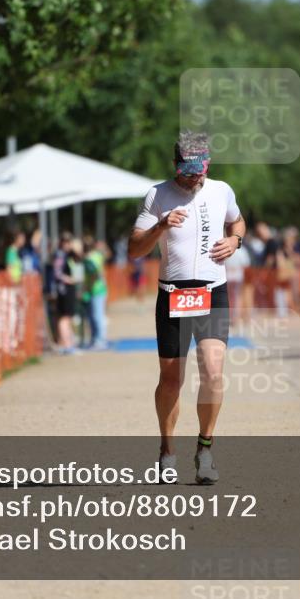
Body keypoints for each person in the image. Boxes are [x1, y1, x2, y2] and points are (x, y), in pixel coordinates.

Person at [129, 130, 245, 485]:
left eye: (202, 171)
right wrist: (161, 226)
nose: (197, 178)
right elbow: (134, 250)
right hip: (173, 294)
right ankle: (167, 450)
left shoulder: (221, 190)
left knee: (212, 371)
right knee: (171, 380)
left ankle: (205, 449)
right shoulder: (157, 195)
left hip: (213, 293)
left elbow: (236, 219)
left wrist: (235, 239)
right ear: (177, 165)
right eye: (190, 172)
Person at [52, 233, 80, 355]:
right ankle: (66, 345)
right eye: (66, 242)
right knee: (64, 317)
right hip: (63, 290)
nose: (69, 245)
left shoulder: (68, 255)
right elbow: (57, 273)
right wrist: (68, 279)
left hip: (68, 290)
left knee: (68, 317)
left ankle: (68, 343)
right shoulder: (60, 255)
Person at [81, 237, 109, 350]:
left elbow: (95, 273)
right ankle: (94, 339)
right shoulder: (95, 256)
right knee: (92, 316)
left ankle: (100, 340)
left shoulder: (92, 257)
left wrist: (87, 288)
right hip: (93, 290)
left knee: (97, 316)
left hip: (97, 290)